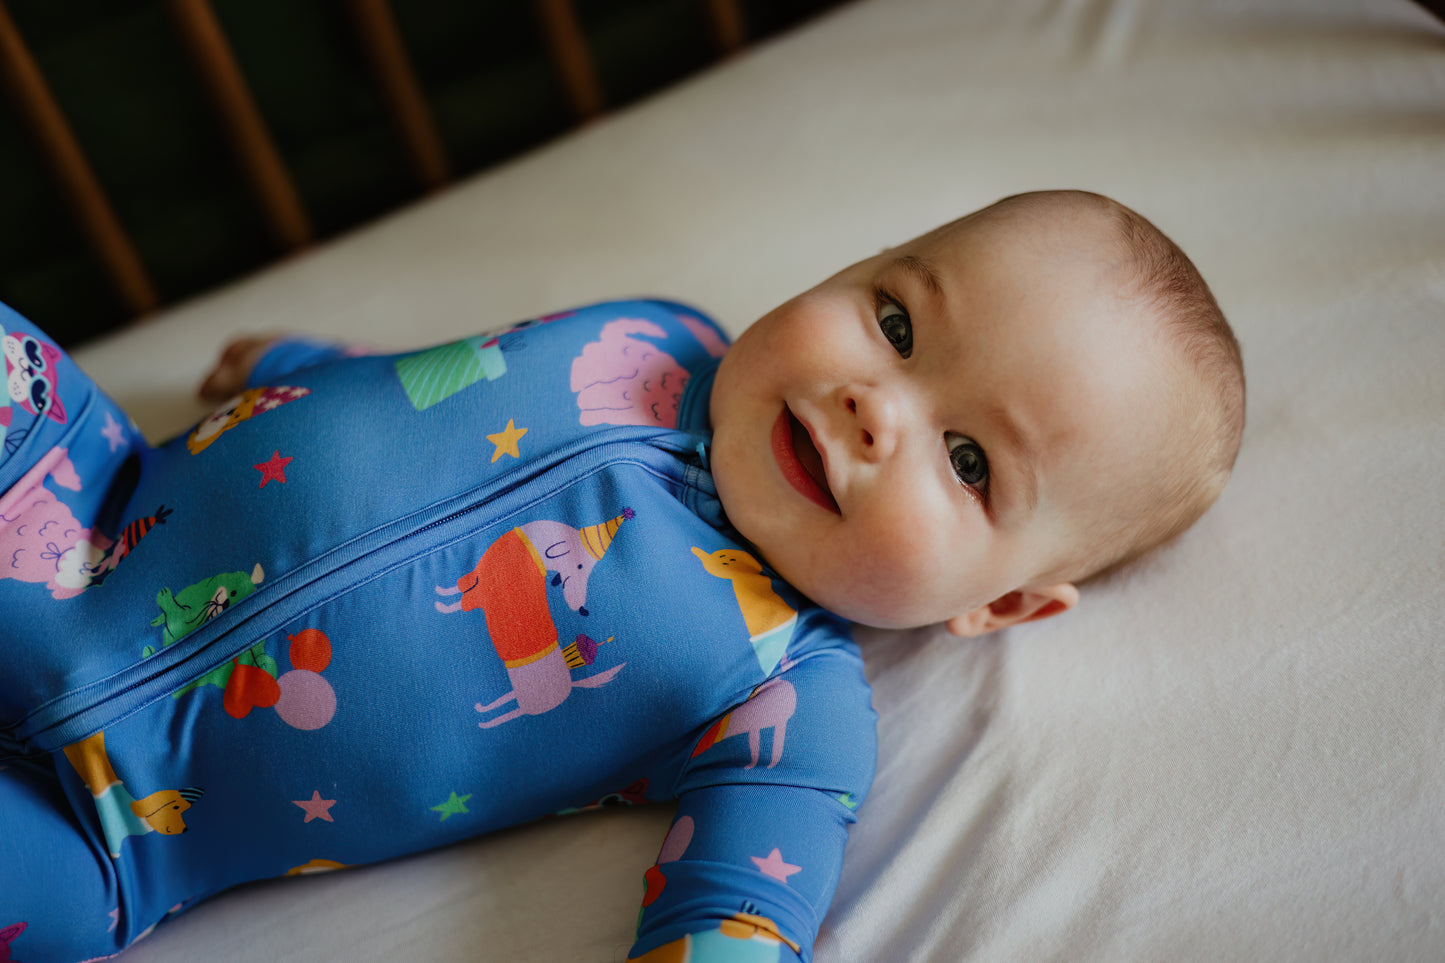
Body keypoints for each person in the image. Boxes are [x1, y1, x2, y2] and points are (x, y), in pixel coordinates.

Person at [0, 190, 1242, 962]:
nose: (877, 405)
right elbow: (435, 388)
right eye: (896, 323)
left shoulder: (787, 697)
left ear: (1000, 605)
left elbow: (741, 898)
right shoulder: (657, 333)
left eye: (967, 460)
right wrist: (305, 363)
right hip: (73, 499)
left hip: (112, 831)